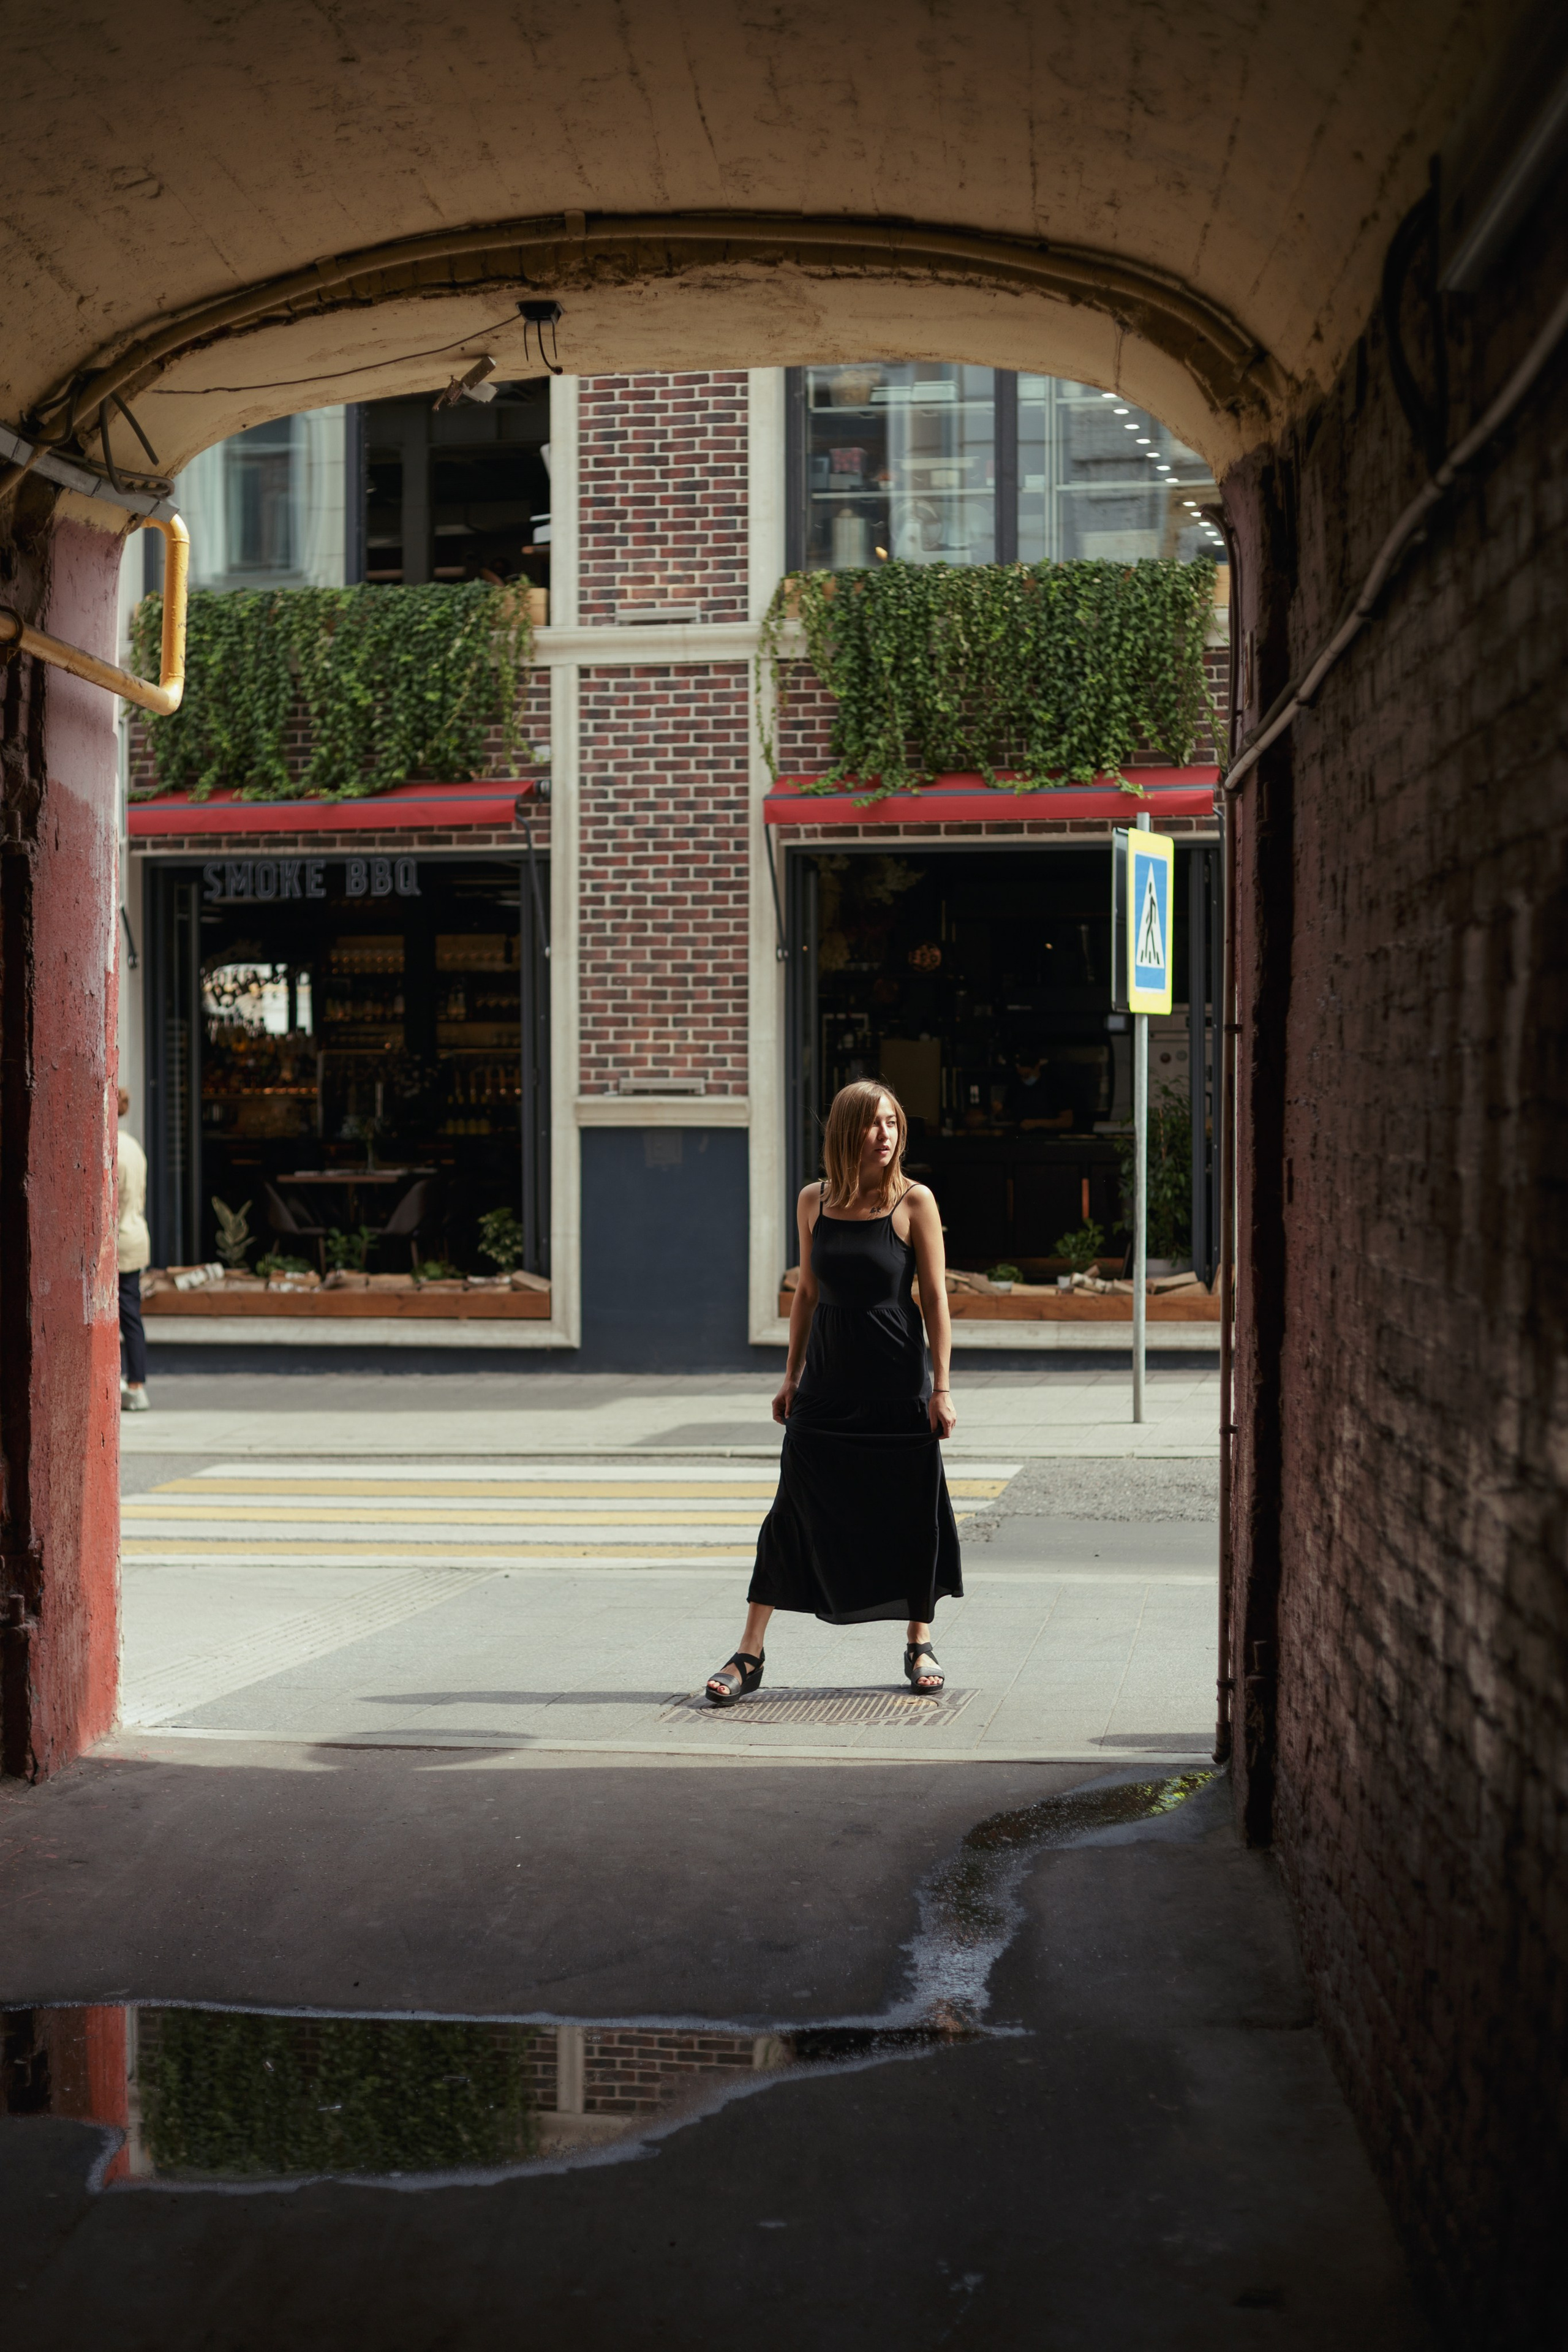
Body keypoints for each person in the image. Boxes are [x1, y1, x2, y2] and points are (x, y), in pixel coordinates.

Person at [705, 1080, 961, 1705]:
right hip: (826, 1384)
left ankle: (919, 1640)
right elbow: (808, 1296)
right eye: (874, 1124)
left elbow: (935, 1300)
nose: (886, 1135)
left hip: (898, 1385)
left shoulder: (914, 1202)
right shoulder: (813, 1201)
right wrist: (791, 1375)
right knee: (790, 1514)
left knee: (910, 1514)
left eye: (893, 1124)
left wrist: (942, 1389)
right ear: (846, 1132)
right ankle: (749, 1652)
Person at [116, 1087, 151, 1412]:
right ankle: (137, 1382)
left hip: (118, 1239)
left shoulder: (110, 1148)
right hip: (136, 1233)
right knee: (131, 1314)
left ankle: (133, 1384)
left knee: (121, 1313)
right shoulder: (134, 1146)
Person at [1003, 1050, 1072, 1132]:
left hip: (1046, 1139)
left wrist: (1036, 1123)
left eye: (1027, 1075)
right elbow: (1008, 1116)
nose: (1024, 1080)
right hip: (1019, 1139)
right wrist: (1000, 1111)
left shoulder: (1053, 1086)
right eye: (1022, 1076)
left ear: (1037, 1067)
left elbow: (1067, 1121)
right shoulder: (1015, 1086)